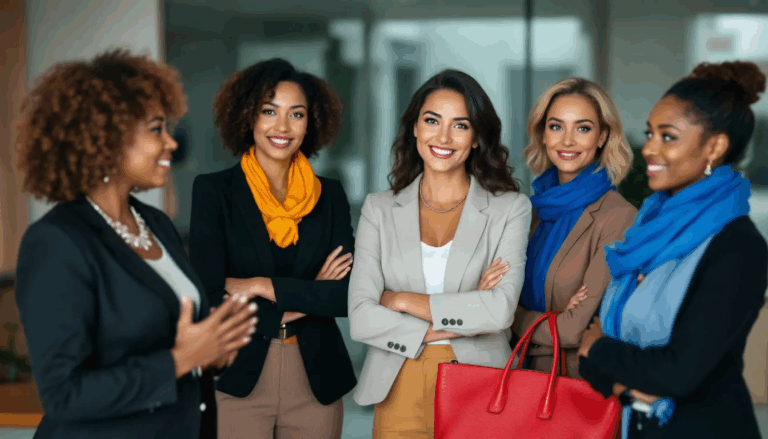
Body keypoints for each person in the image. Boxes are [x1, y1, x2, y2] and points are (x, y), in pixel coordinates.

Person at [14, 49, 257, 439]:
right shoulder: (57, 242)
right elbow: (64, 395)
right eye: (156, 129)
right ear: (106, 139)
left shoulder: (155, 223)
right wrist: (181, 360)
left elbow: (178, 345)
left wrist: (213, 355)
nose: (171, 143)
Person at [577, 61, 768, 439]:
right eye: (651, 133)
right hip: (637, 428)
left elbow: (678, 373)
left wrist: (599, 350)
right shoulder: (646, 233)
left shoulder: (737, 245)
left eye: (668, 137)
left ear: (715, 147)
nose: (649, 147)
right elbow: (591, 358)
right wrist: (627, 386)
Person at [348, 69, 532, 439]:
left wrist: (401, 300)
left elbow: (499, 311)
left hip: (481, 384)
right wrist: (469, 309)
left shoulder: (510, 209)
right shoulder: (378, 209)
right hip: (398, 384)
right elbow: (361, 319)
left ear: (477, 137)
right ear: (414, 128)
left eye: (460, 125)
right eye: (432, 121)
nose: (443, 137)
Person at [189, 58, 356, 439]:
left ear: (310, 123)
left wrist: (259, 285)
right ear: (248, 116)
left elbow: (345, 295)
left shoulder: (329, 195)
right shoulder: (214, 192)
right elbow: (208, 295)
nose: (282, 127)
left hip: (316, 378)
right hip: (238, 373)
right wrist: (310, 293)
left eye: (296, 114)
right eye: (269, 111)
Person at [511, 77, 636, 377]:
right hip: (516, 375)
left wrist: (510, 316)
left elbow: (573, 330)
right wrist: (553, 317)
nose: (567, 141)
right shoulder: (526, 212)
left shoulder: (619, 217)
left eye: (583, 128)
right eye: (556, 126)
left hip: (574, 383)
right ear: (542, 134)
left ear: (602, 136)